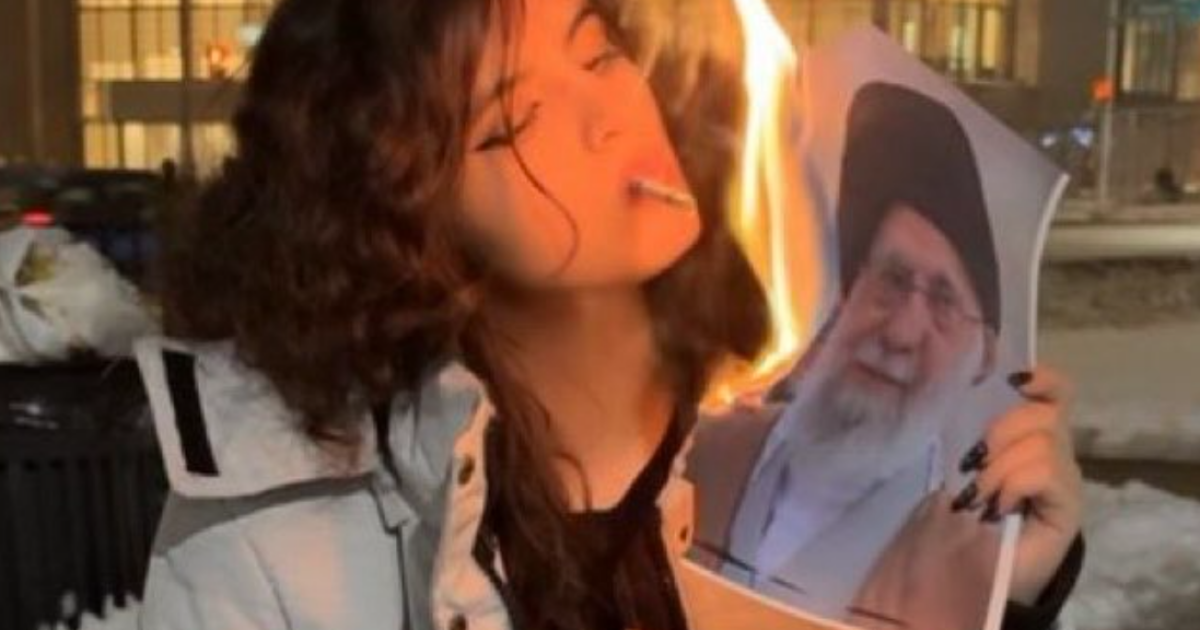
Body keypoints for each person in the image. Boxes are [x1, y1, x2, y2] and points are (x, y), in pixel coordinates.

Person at [135, 4, 1081, 630]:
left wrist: (995, 594)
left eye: (598, 52)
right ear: (404, 212)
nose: (607, 115)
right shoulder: (273, 546)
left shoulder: (780, 426)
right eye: (514, 121)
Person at [688, 83, 1084, 630]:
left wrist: (1016, 600)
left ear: (985, 357)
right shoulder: (700, 450)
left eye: (944, 302)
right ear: (844, 296)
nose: (900, 332)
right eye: (891, 280)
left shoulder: (967, 560)